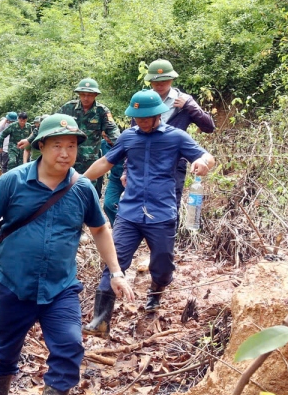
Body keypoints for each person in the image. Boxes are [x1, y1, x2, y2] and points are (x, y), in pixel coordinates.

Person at [0, 114, 131, 395]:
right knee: (5, 346)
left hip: (61, 288)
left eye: (71, 146)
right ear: (41, 146)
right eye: (57, 145)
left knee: (70, 346)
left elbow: (100, 229)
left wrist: (115, 271)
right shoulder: (13, 182)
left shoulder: (82, 188)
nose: (65, 153)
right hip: (14, 283)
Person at [81, 90, 215, 333]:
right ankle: (100, 320)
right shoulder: (128, 137)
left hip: (161, 213)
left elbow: (206, 156)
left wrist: (203, 163)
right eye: (137, 117)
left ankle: (156, 292)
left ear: (158, 115)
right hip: (129, 213)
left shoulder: (177, 137)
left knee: (162, 265)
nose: (141, 122)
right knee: (114, 262)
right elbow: (106, 162)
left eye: (146, 117)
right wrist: (79, 181)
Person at [145, 59, 215, 208]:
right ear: (150, 81)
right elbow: (133, 133)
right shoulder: (144, 100)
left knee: (170, 206)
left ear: (171, 79)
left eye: (164, 80)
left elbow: (209, 127)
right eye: (155, 81)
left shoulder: (184, 100)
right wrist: (126, 169)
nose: (160, 84)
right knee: (144, 204)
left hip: (174, 162)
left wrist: (189, 106)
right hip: (146, 160)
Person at [55, 79, 121, 196]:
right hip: (68, 158)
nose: (86, 98)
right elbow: (51, 124)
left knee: (88, 192)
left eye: (90, 95)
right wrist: (30, 139)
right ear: (79, 94)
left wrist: (124, 147)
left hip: (90, 162)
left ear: (95, 95)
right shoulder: (68, 108)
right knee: (65, 191)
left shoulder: (101, 111)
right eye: (83, 94)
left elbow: (113, 131)